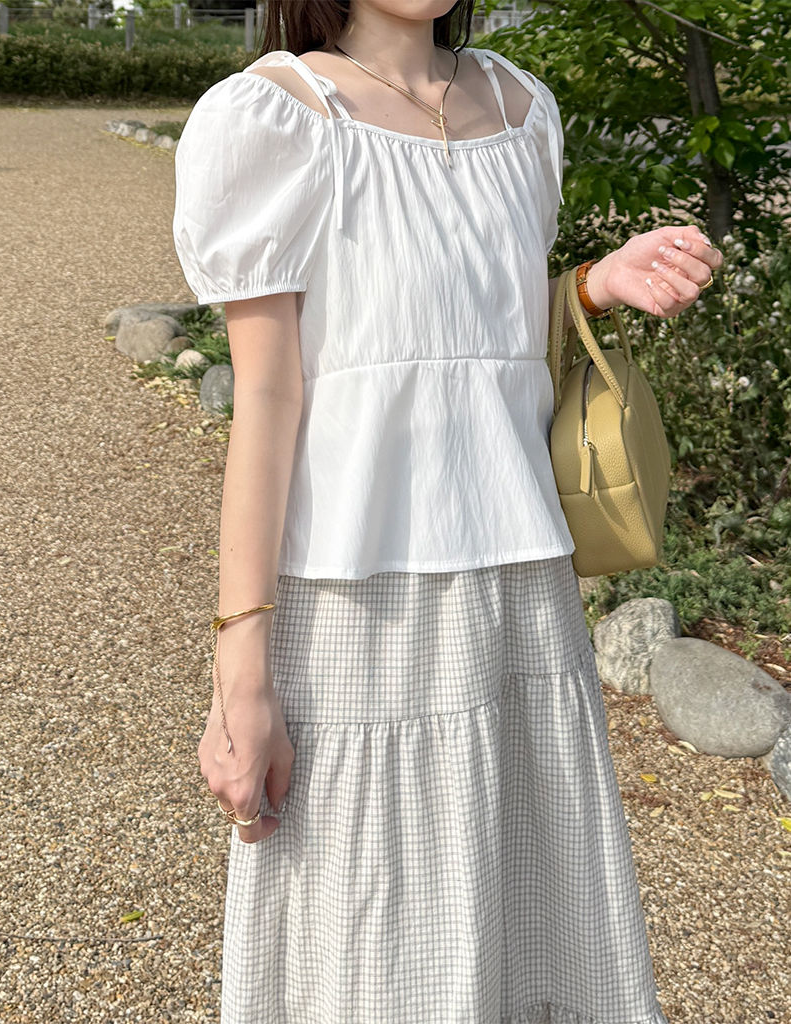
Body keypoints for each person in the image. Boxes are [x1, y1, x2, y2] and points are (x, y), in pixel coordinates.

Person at [172, 2, 722, 1021]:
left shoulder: (520, 107)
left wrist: (590, 287)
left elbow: (464, 336)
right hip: (359, 603)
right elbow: (271, 397)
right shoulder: (274, 116)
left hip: (522, 596)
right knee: (371, 944)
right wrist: (238, 675)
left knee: (530, 921)